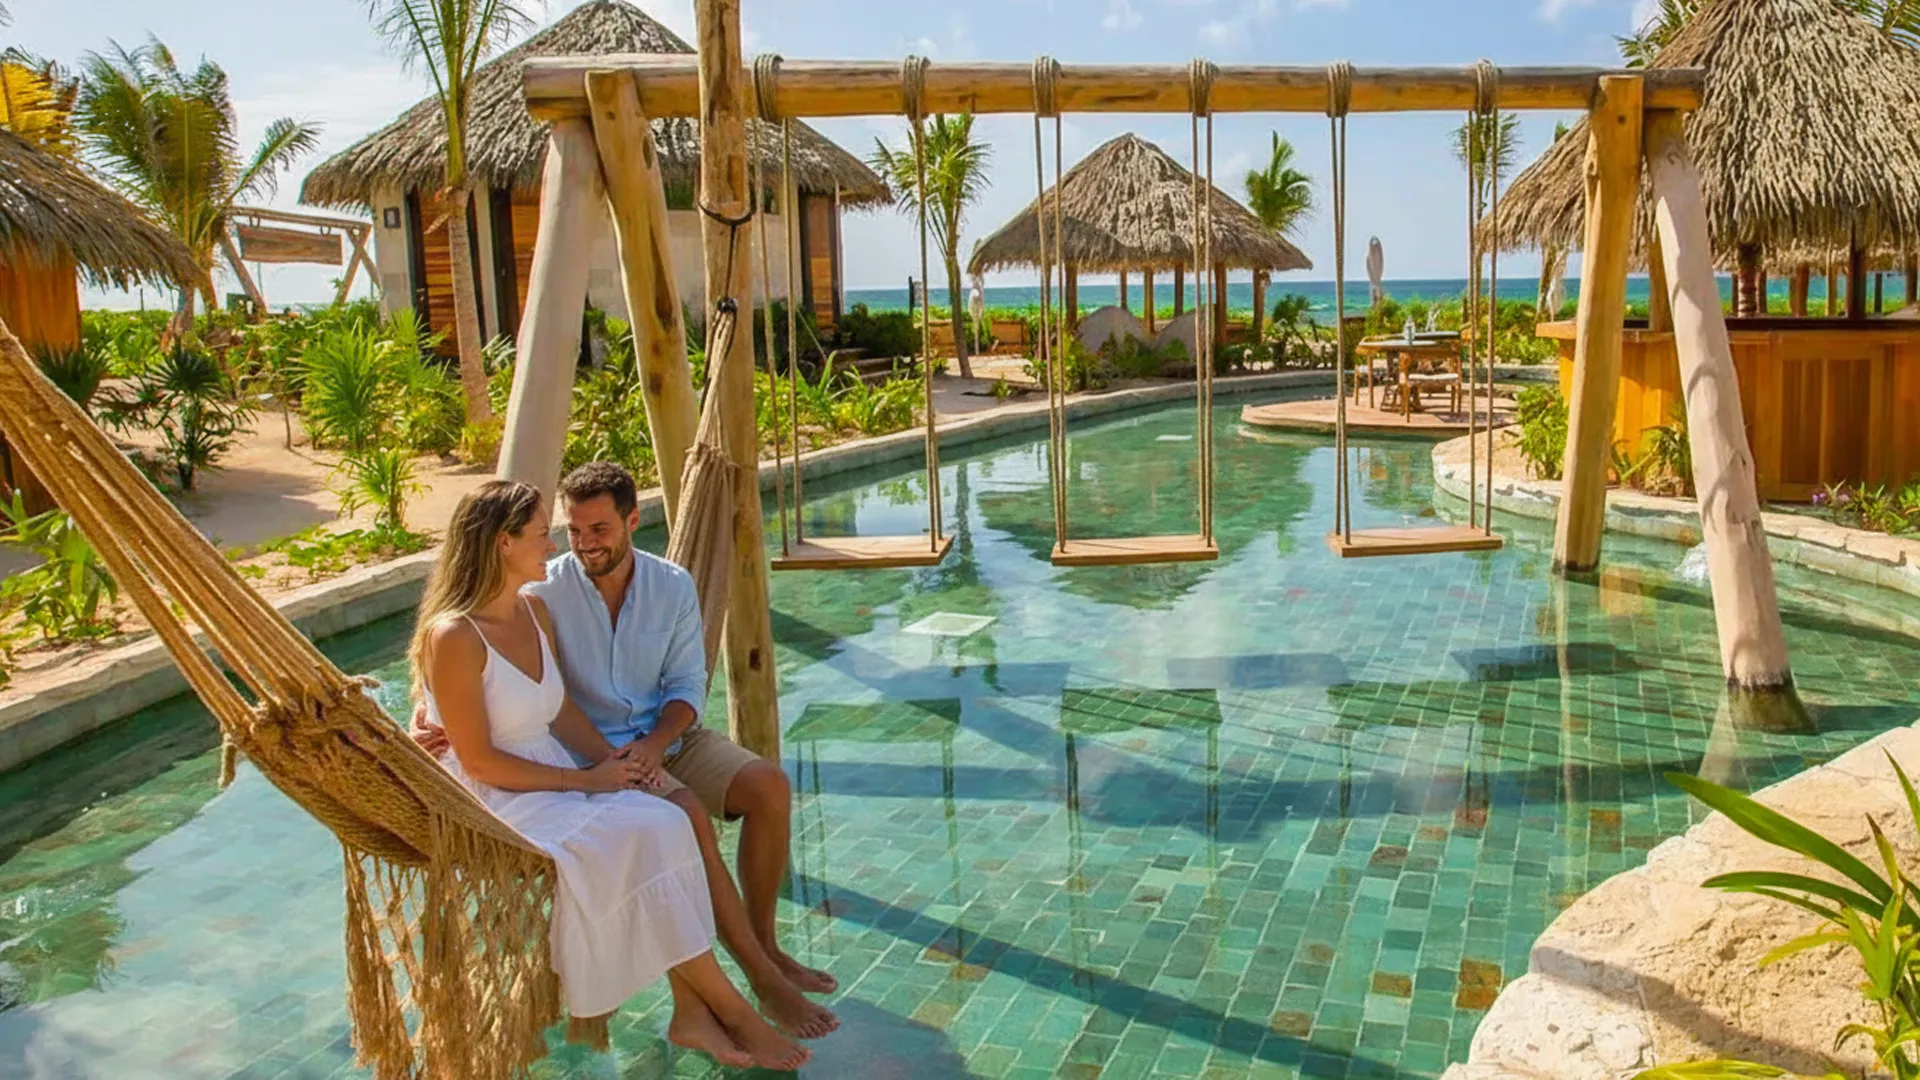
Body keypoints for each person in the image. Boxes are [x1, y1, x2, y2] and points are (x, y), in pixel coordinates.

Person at [413, 462, 838, 1038]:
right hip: (576, 756)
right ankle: (747, 984)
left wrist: (652, 749)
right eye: (567, 530)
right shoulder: (543, 589)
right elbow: (464, 666)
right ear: (511, 542)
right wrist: (426, 712)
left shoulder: (668, 585)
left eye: (598, 530)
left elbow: (688, 687)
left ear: (632, 520)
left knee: (767, 786)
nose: (579, 544)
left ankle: (762, 951)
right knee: (679, 815)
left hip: (658, 739)